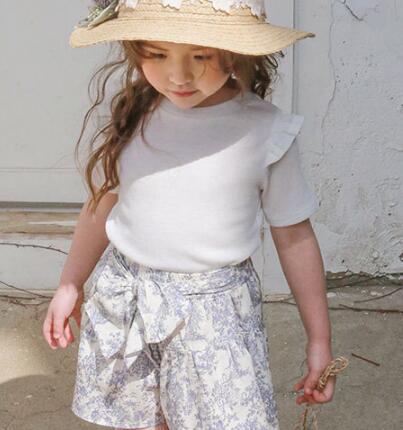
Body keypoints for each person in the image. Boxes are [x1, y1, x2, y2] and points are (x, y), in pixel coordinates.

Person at [42, 0, 335, 429]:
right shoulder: (134, 115)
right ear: (135, 48)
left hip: (213, 318)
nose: (178, 76)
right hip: (128, 300)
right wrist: (71, 282)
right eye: (158, 54)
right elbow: (104, 201)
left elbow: (294, 237)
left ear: (234, 52)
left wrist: (319, 339)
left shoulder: (266, 132)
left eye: (200, 56)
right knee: (143, 419)